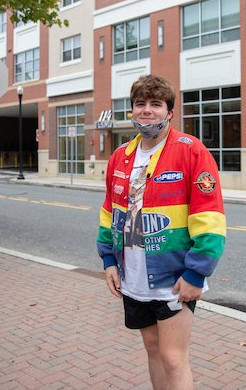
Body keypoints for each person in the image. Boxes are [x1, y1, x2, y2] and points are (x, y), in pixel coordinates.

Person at [97, 74, 226, 389]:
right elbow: (108, 213)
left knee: (172, 357)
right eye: (140, 104)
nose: (147, 111)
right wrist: (109, 262)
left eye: (156, 104)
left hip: (173, 278)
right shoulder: (120, 157)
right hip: (133, 275)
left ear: (170, 112)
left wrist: (197, 274)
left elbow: (209, 217)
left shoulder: (191, 152)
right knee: (153, 352)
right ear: (132, 111)